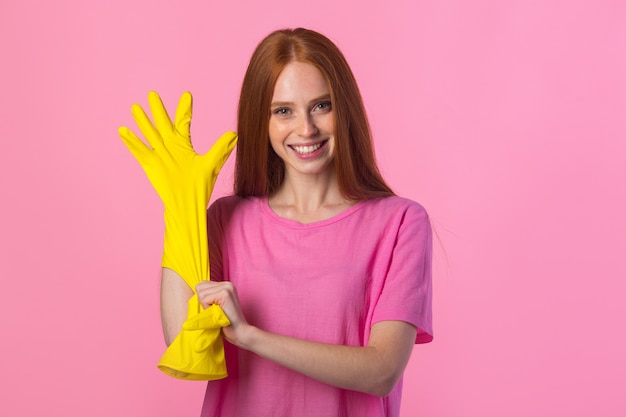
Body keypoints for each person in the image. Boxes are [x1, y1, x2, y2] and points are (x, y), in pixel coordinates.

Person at [161, 28, 433, 416]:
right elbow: (181, 345)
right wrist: (180, 208)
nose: (306, 129)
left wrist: (252, 338)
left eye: (322, 106)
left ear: (346, 108)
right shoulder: (225, 220)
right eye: (283, 110)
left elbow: (382, 371)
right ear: (262, 120)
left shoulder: (400, 223)